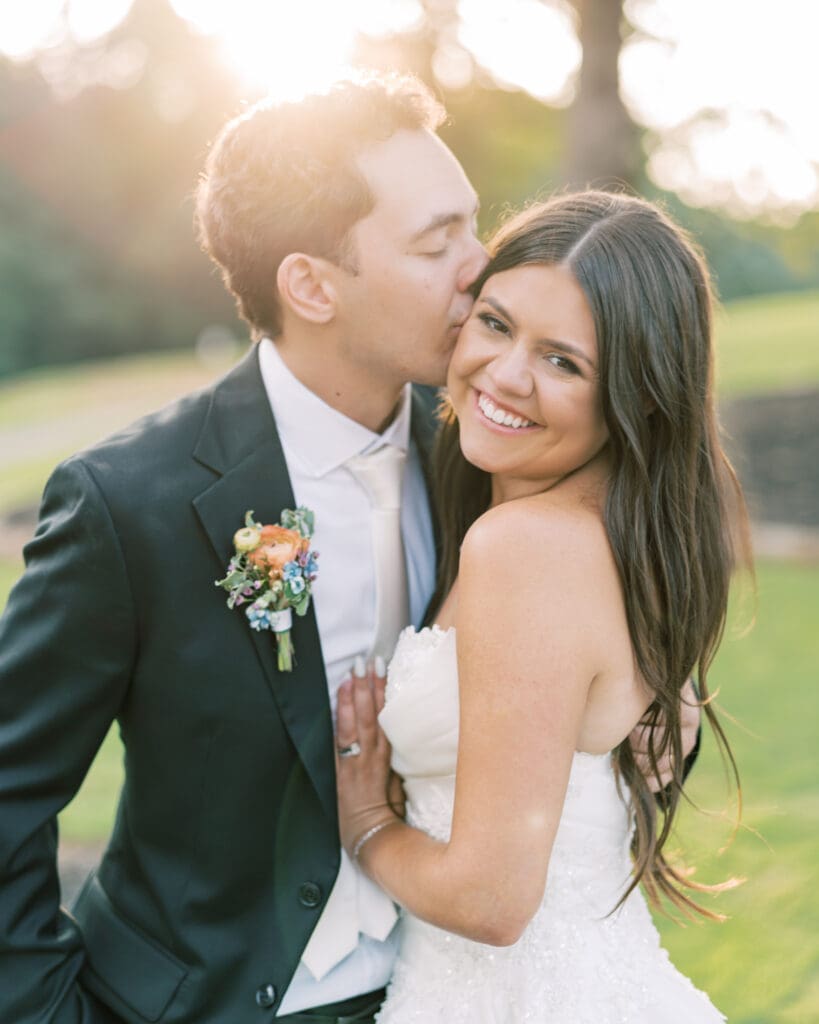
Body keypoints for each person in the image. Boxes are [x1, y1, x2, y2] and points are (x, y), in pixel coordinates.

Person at [0, 74, 696, 1024]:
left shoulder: (488, 457)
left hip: (434, 993)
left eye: (469, 224)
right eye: (434, 240)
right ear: (311, 285)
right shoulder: (131, 504)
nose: (478, 264)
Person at [335, 191, 750, 1022]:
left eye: (563, 362)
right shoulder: (613, 535)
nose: (505, 374)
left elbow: (491, 901)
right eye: (494, 323)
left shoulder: (524, 548)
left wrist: (365, 818)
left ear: (635, 396)